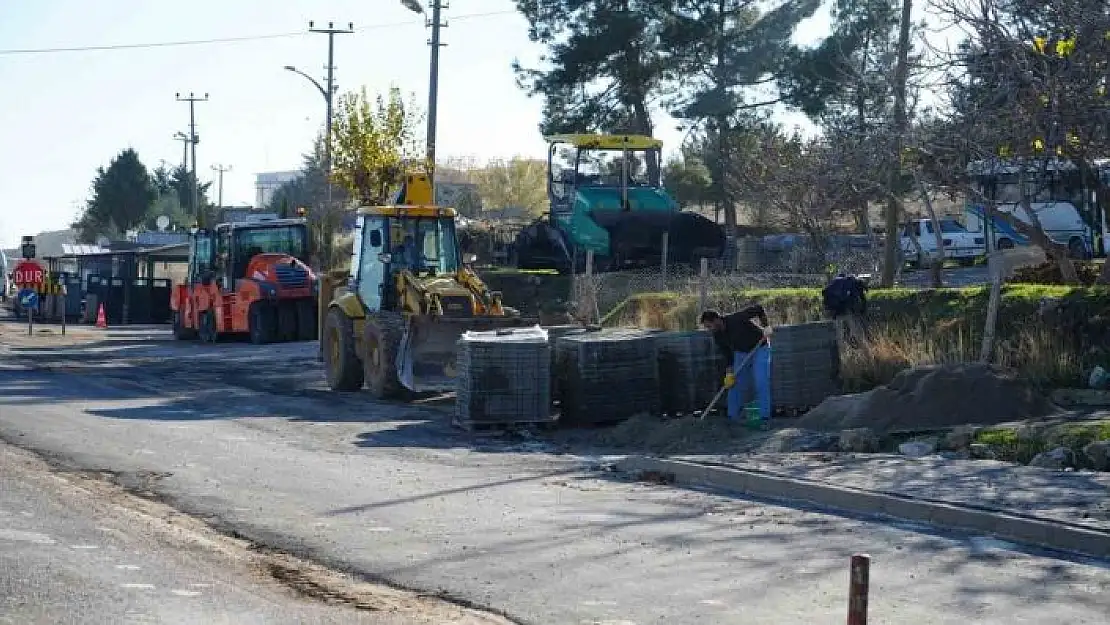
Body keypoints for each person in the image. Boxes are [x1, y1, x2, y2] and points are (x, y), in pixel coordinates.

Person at [700, 306, 774, 424]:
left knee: (761, 381)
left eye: (709, 326)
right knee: (734, 384)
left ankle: (764, 417)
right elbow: (727, 355)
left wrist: (766, 327)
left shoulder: (736, 319)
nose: (709, 330)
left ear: (717, 320)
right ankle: (732, 417)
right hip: (741, 353)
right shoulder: (717, 335)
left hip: (760, 348)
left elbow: (759, 309)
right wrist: (729, 374)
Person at [822, 272, 868, 345]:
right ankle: (856, 341)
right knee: (852, 324)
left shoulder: (840, 281)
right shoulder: (854, 284)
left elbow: (825, 292)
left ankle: (840, 345)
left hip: (831, 305)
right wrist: (862, 310)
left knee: (838, 327)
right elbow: (858, 299)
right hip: (841, 306)